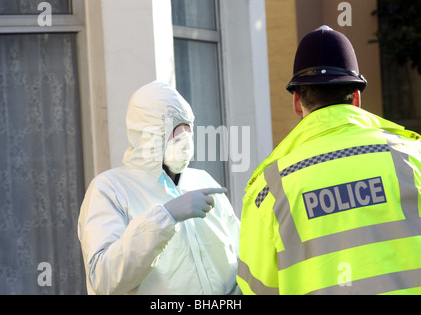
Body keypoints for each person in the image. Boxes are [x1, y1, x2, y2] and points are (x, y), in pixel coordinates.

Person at [237, 26, 421, 295]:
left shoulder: (268, 190)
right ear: (356, 98)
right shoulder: (412, 158)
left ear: (297, 102)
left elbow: (256, 288)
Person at [78, 81, 240, 295]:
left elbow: (241, 253)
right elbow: (104, 279)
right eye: (173, 129)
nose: (185, 139)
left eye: (187, 127)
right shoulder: (110, 190)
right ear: (147, 134)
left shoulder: (203, 181)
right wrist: (166, 217)